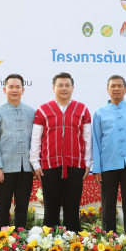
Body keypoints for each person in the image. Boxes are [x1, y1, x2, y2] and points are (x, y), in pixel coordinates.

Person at [30, 72, 92, 232]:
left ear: (72, 88)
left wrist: (87, 162)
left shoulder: (82, 109)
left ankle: (73, 245)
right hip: (49, 166)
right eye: (60, 85)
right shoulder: (43, 110)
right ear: (53, 88)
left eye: (67, 85)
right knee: (51, 208)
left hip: (75, 166)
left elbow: (87, 138)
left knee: (72, 207)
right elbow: (36, 139)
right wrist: (35, 163)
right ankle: (50, 245)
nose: (63, 88)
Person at [93, 75, 126, 233]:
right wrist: (96, 168)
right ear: (107, 90)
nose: (116, 89)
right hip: (108, 164)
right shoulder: (99, 113)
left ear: (125, 89)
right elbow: (96, 141)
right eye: (113, 86)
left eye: (119, 86)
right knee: (108, 203)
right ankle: (108, 236)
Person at [0, 74, 35, 229]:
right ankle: (2, 241)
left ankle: (20, 239)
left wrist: (35, 166)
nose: (14, 90)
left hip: (26, 169)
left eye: (17, 87)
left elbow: (36, 141)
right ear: (4, 89)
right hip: (5, 168)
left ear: (23, 89)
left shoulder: (31, 112)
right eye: (11, 87)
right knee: (2, 207)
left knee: (22, 206)